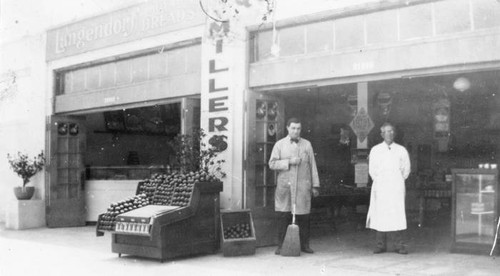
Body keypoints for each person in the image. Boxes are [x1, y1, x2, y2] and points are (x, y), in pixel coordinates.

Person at [269, 118, 320, 255]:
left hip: (302, 185)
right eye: (293, 128)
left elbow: (312, 165)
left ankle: (304, 245)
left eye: (298, 128)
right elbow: (272, 164)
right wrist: (289, 162)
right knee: (283, 215)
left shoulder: (307, 145)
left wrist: (315, 185)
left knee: (303, 216)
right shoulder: (279, 145)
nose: (296, 131)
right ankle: (280, 246)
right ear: (287, 128)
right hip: (285, 186)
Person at [366, 122, 411, 254]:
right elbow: (372, 170)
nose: (389, 134)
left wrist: (396, 181)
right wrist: (382, 182)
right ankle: (380, 245)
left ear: (394, 133)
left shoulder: (401, 150)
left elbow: (406, 170)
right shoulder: (375, 150)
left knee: (397, 215)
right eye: (386, 131)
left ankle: (399, 245)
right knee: (381, 214)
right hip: (381, 187)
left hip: (396, 187)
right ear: (382, 134)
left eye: (391, 131)